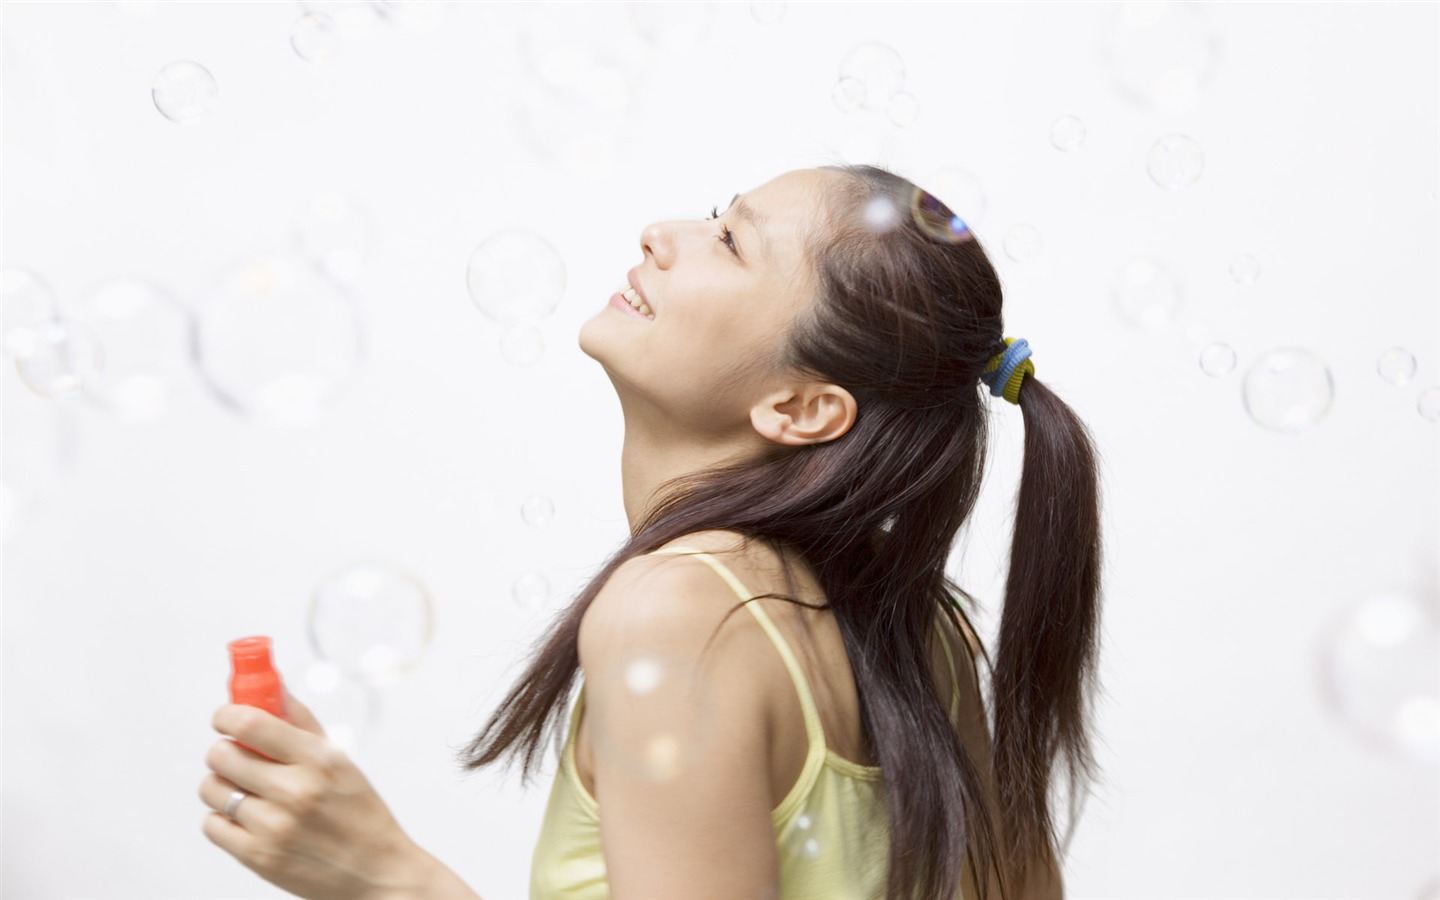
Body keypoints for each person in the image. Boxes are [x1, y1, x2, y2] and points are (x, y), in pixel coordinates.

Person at [199, 163, 1104, 900]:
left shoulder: (677, 616)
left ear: (801, 407)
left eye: (730, 241)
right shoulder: (927, 629)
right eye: (715, 214)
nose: (659, 234)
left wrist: (385, 876)